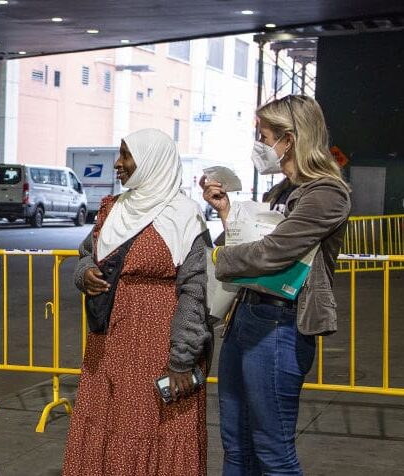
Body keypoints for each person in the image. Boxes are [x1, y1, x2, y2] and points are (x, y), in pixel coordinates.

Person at [204, 95, 351, 475]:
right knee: (236, 446)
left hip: (281, 326)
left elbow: (273, 253)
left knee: (273, 451)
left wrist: (219, 259)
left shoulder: (327, 194)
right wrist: (227, 215)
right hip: (247, 316)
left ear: (289, 138)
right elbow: (252, 245)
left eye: (264, 135)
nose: (260, 144)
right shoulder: (281, 191)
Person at [62, 128, 211, 475]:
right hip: (109, 343)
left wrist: (181, 359)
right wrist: (84, 272)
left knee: (146, 428)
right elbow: (87, 252)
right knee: (108, 423)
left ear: (150, 161)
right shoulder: (113, 209)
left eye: (126, 155)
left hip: (157, 346)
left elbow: (196, 291)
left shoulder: (184, 216)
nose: (118, 163)